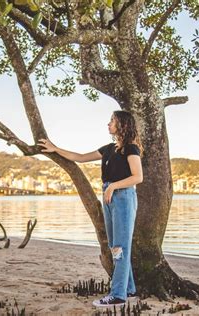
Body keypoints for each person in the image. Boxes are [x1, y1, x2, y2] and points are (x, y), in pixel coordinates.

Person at [37, 110, 143, 308]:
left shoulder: (131, 148)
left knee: (121, 247)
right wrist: (54, 148)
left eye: (112, 121)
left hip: (123, 197)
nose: (108, 123)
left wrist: (113, 186)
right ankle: (129, 290)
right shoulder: (109, 148)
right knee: (115, 246)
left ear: (122, 125)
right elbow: (80, 157)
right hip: (110, 196)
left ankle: (118, 295)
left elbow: (138, 177)